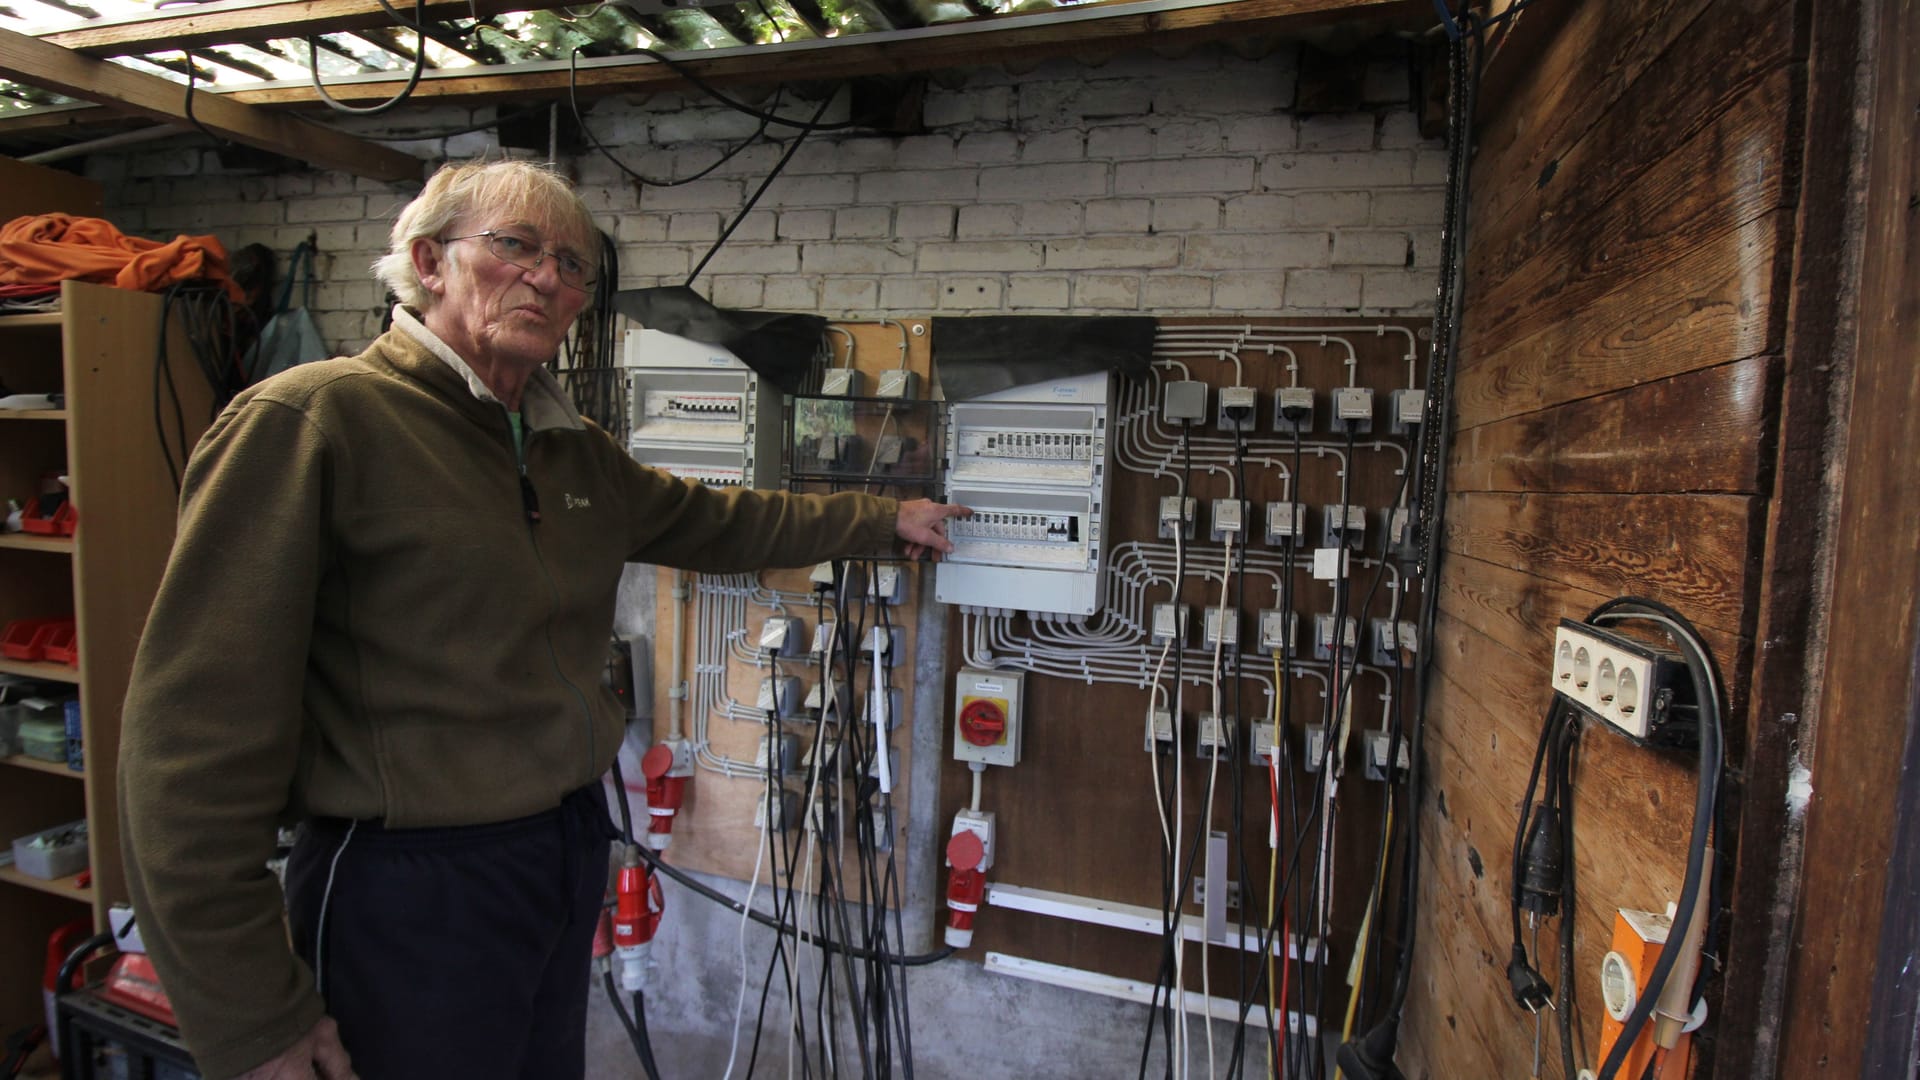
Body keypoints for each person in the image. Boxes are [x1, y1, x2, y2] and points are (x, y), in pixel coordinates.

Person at [118, 159, 968, 1080]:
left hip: (557, 852)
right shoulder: (313, 422)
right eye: (516, 246)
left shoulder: (568, 448)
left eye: (572, 266)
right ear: (428, 260)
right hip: (405, 885)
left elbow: (723, 520)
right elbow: (189, 747)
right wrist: (249, 1016)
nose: (548, 278)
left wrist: (881, 518)